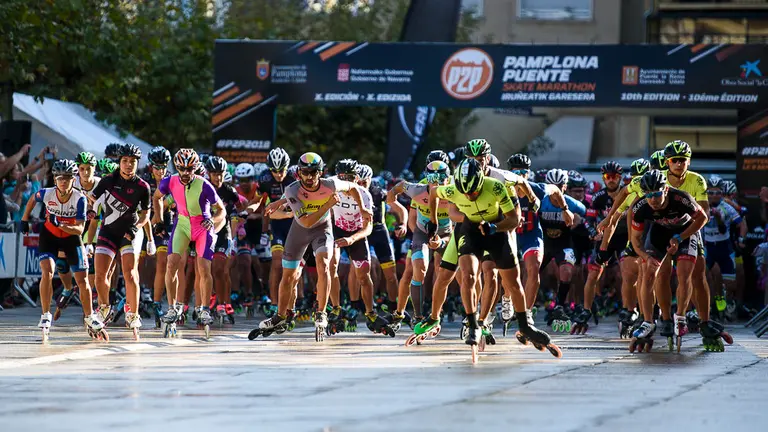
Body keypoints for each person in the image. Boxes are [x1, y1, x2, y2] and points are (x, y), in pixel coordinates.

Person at [427, 158, 560, 361]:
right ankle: (473, 323)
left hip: (497, 231)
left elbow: (514, 219)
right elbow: (434, 192)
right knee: (468, 275)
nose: (469, 196)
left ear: (481, 182)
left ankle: (524, 325)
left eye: (473, 192)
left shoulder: (496, 187)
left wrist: (495, 227)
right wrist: (433, 222)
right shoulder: (453, 190)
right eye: (465, 193)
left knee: (513, 283)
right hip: (471, 231)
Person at [256, 152, 370, 341]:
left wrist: (363, 208)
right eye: (305, 173)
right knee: (289, 276)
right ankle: (280, 315)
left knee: (324, 265)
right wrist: (327, 205)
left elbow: (353, 187)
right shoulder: (292, 190)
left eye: (314, 172)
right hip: (300, 229)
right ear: (299, 173)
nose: (309, 177)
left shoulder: (330, 184)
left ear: (321, 172)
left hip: (322, 230)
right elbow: (307, 222)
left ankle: (321, 312)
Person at [20, 159, 107, 341]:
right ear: (55, 179)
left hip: (71, 238)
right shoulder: (47, 193)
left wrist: (60, 223)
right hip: (49, 238)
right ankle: (45, 314)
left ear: (73, 180)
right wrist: (24, 219)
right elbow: (32, 199)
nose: (64, 182)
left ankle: (89, 316)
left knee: (82, 280)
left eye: (67, 178)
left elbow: (80, 229)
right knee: (48, 272)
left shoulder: (79, 198)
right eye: (60, 178)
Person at [628, 170, 713, 353]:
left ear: (665, 190)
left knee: (684, 273)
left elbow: (703, 218)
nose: (653, 200)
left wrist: (680, 238)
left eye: (657, 194)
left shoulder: (681, 198)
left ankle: (680, 316)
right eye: (648, 195)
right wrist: (645, 257)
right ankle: (648, 321)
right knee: (648, 273)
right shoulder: (640, 207)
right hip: (660, 234)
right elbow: (635, 240)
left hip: (685, 232)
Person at [153, 149, 226, 338]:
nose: (185, 173)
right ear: (176, 167)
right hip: (183, 224)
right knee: (171, 264)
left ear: (196, 168)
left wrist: (213, 221)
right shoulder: (169, 181)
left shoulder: (204, 185)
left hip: (202, 226)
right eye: (181, 169)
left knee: (203, 268)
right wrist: (159, 220)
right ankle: (172, 307)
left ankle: (204, 309)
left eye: (190, 169)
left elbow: (221, 211)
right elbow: (157, 197)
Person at [89, 144, 151, 340]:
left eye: (132, 161)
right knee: (100, 275)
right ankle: (104, 308)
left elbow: (146, 214)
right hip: (108, 230)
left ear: (137, 163)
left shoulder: (143, 186)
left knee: (130, 274)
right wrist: (90, 211)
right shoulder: (108, 180)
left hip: (128, 232)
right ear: (119, 162)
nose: (128, 165)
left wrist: (137, 228)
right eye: (125, 161)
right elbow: (91, 199)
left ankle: (133, 314)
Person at [205, 156, 246, 325]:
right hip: (206, 232)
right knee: (207, 270)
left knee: (220, 269)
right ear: (209, 174)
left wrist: (239, 218)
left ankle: (222, 303)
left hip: (223, 232)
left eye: (221, 174)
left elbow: (241, 206)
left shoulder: (229, 191)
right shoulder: (203, 187)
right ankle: (211, 297)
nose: (218, 177)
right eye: (215, 174)